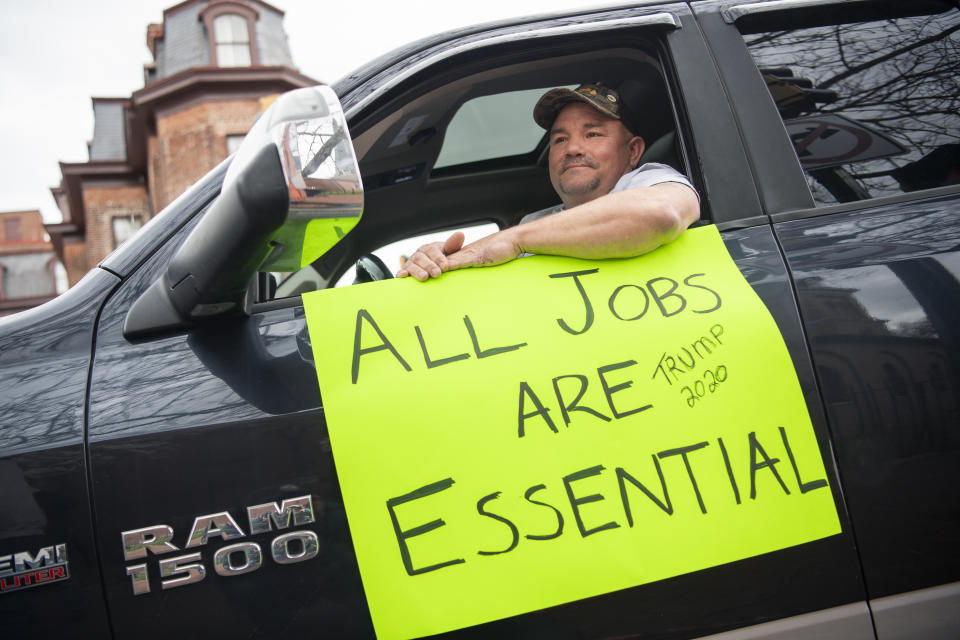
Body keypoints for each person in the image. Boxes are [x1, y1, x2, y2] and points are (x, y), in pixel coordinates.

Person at [396, 82, 700, 281]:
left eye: (592, 134)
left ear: (632, 150)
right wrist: (438, 263)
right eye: (560, 139)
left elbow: (659, 215)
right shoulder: (536, 221)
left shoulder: (653, 181)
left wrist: (514, 239)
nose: (572, 148)